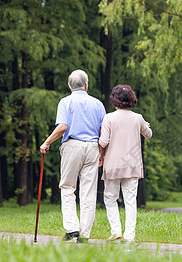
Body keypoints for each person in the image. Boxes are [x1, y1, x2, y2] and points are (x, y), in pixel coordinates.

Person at [40, 70, 106, 243]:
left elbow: (63, 127)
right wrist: (102, 152)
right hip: (92, 147)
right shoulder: (98, 104)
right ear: (86, 85)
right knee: (88, 193)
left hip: (72, 146)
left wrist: (46, 142)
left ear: (70, 86)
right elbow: (102, 132)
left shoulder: (65, 102)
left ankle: (72, 229)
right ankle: (84, 235)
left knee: (68, 188)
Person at [99, 84, 152, 243]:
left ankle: (116, 231)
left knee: (110, 198)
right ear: (131, 100)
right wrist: (146, 126)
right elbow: (148, 135)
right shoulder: (138, 118)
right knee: (130, 201)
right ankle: (129, 235)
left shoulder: (109, 118)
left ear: (114, 100)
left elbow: (103, 141)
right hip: (132, 165)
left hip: (113, 165)